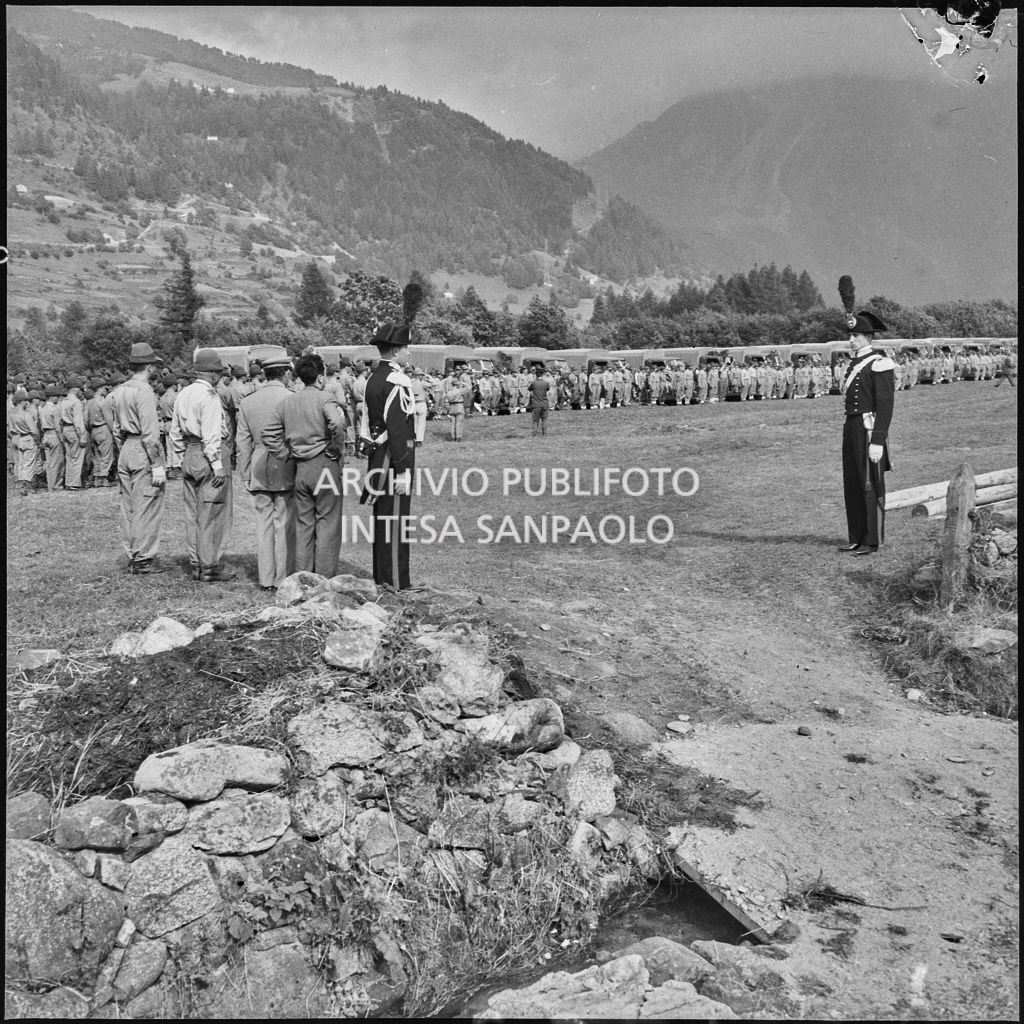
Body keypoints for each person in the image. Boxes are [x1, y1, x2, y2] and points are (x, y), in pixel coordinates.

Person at [263, 353, 346, 579]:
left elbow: (268, 434)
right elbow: (337, 423)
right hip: (325, 465)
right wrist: (336, 447)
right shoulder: (325, 398)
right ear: (320, 377)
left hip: (300, 468)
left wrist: (286, 454)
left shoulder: (288, 402)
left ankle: (304, 578)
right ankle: (324, 578)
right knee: (328, 524)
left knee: (303, 525)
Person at [361, 316, 417, 591]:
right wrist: (403, 470)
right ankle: (395, 582)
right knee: (395, 520)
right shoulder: (396, 380)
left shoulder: (374, 377)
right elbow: (397, 428)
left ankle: (383, 577)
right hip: (393, 459)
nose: (409, 353)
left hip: (379, 454)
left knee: (384, 519)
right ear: (395, 350)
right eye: (406, 348)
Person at [170, 351, 235, 582]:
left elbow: (175, 432)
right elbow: (211, 434)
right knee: (213, 512)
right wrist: (217, 465)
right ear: (213, 374)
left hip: (190, 452)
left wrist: (182, 456)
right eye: (219, 373)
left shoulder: (183, 393)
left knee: (193, 514)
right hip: (208, 455)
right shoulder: (210, 396)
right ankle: (210, 565)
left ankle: (197, 563)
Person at [236, 350, 296, 590]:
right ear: (286, 373)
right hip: (286, 463)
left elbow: (242, 442)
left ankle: (266, 577)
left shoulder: (248, 401)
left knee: (263, 525)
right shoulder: (292, 398)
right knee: (284, 522)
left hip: (259, 465)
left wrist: (245, 472)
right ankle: (283, 577)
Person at [838, 311, 895, 557]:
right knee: (852, 482)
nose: (851, 340)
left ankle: (872, 540)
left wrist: (878, 440)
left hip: (869, 427)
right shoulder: (853, 363)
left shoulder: (879, 363)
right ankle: (857, 536)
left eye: (857, 336)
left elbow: (885, 405)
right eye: (850, 336)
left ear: (869, 337)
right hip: (852, 426)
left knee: (870, 484)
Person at [113, 343, 168, 574]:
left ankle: (133, 553)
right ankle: (143, 558)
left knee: (129, 506)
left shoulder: (120, 390)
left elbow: (116, 428)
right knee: (147, 504)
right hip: (142, 448)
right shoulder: (144, 391)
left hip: (127, 447)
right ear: (149, 366)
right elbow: (150, 433)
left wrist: (124, 449)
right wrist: (156, 464)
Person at [9, 388, 41, 497]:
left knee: (21, 463)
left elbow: (10, 429)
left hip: (19, 439)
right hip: (28, 438)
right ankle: (28, 487)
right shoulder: (26, 415)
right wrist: (37, 441)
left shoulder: (12, 415)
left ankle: (21, 485)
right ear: (22, 402)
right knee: (29, 464)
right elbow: (34, 431)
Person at [58, 377, 88, 489]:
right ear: (75, 389)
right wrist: (82, 436)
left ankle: (68, 482)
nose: (81, 392)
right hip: (74, 429)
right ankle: (74, 483)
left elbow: (59, 420)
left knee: (69, 457)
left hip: (65, 429)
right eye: (80, 389)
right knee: (77, 457)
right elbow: (78, 421)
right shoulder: (76, 402)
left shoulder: (63, 402)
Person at [85, 379, 116, 488]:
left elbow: (86, 419)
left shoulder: (89, 402)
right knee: (106, 455)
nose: (105, 389)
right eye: (103, 387)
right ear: (99, 389)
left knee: (96, 455)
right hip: (103, 428)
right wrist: (113, 431)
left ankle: (97, 478)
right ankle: (104, 478)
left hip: (93, 430)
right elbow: (108, 419)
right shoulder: (102, 402)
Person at [39, 384, 66, 491]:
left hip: (45, 435)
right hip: (54, 435)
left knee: (49, 463)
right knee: (57, 462)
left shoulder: (42, 408)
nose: (58, 398)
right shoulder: (54, 409)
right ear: (52, 397)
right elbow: (57, 427)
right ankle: (57, 485)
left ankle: (51, 485)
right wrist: (62, 440)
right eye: (57, 396)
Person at [527, 364, 551, 436]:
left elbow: (529, 389)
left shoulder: (534, 383)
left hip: (536, 404)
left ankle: (535, 433)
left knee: (535, 420)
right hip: (544, 403)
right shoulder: (546, 383)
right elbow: (548, 389)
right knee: (544, 420)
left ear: (536, 375)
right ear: (542, 375)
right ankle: (544, 433)